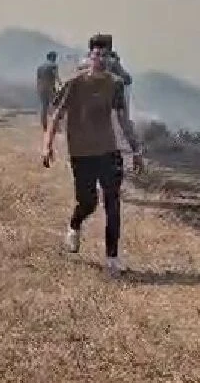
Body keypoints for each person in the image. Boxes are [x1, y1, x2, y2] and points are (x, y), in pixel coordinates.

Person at [42, 42, 144, 277]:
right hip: (81, 152)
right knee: (87, 202)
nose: (100, 58)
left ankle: (112, 258)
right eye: (96, 54)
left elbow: (123, 119)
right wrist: (46, 146)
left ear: (110, 60)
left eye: (105, 55)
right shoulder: (74, 84)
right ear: (89, 58)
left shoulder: (115, 85)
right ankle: (74, 226)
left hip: (108, 151)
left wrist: (136, 149)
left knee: (113, 203)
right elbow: (56, 116)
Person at [35, 50, 61, 131]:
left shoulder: (40, 67)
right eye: (55, 57)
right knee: (54, 106)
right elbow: (56, 75)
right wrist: (60, 83)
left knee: (44, 106)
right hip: (50, 88)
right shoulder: (54, 65)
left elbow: (38, 79)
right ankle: (56, 125)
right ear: (52, 57)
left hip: (41, 88)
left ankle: (44, 125)